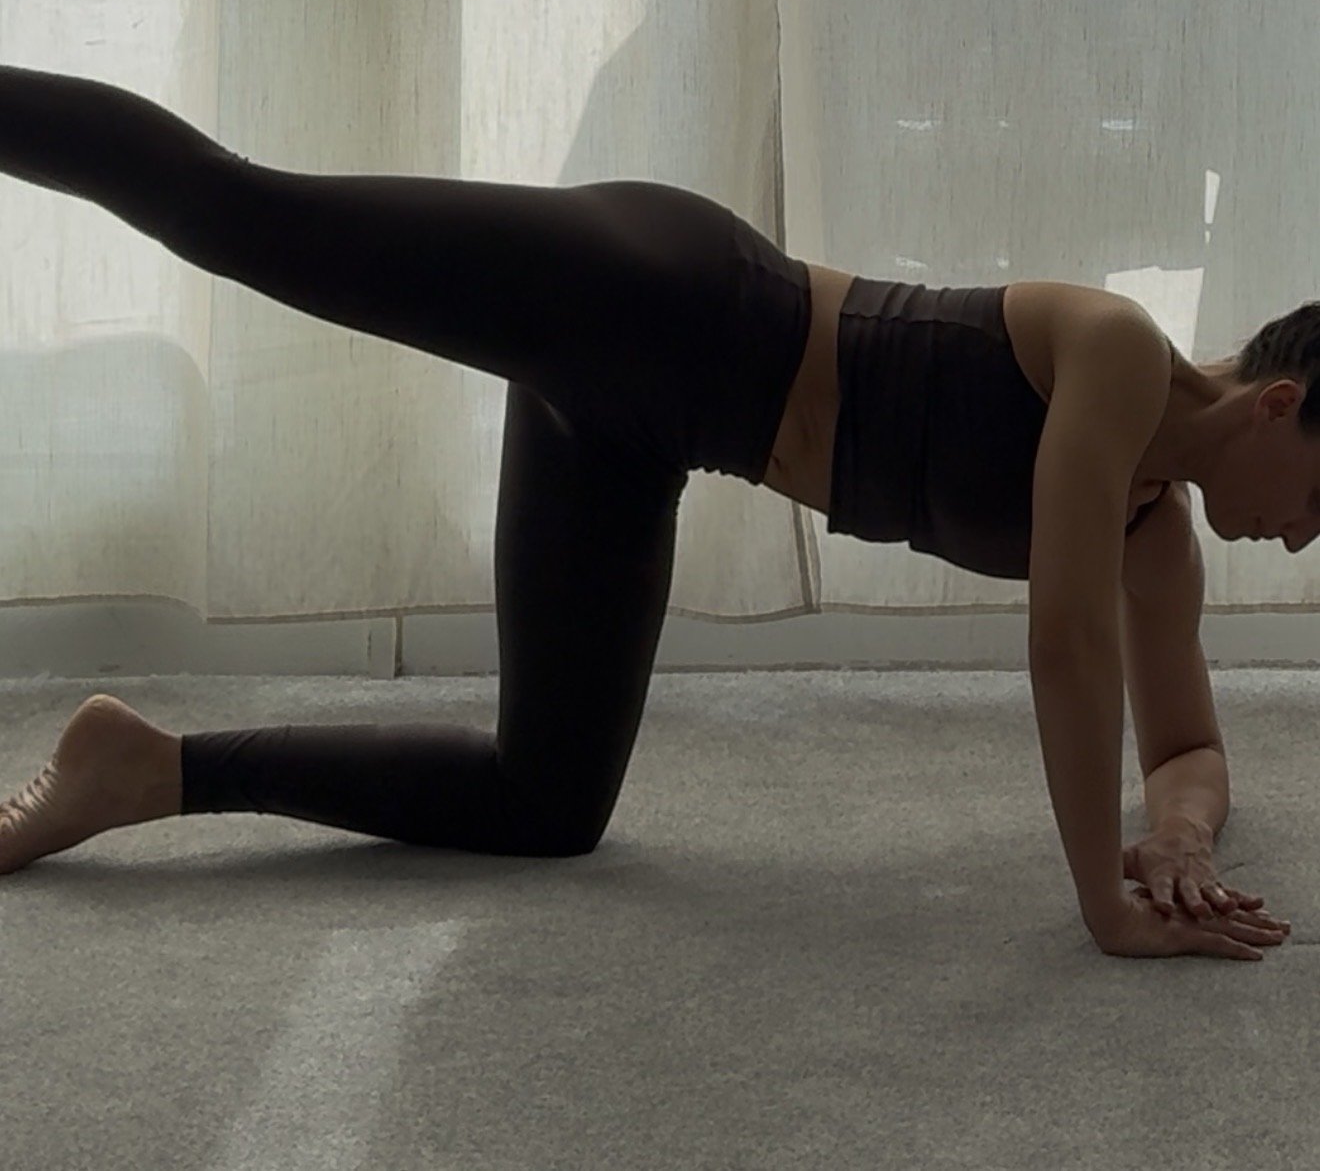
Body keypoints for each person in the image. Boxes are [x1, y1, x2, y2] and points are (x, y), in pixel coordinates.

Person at [0, 63, 1301, 960]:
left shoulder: (1156, 537)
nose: (1305, 541)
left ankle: (143, 764)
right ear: (1283, 408)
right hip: (657, 298)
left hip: (652, 429)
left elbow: (1183, 746)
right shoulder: (1120, 355)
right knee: (244, 213)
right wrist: (1101, 905)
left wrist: (1176, 831)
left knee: (546, 800)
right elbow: (1067, 643)